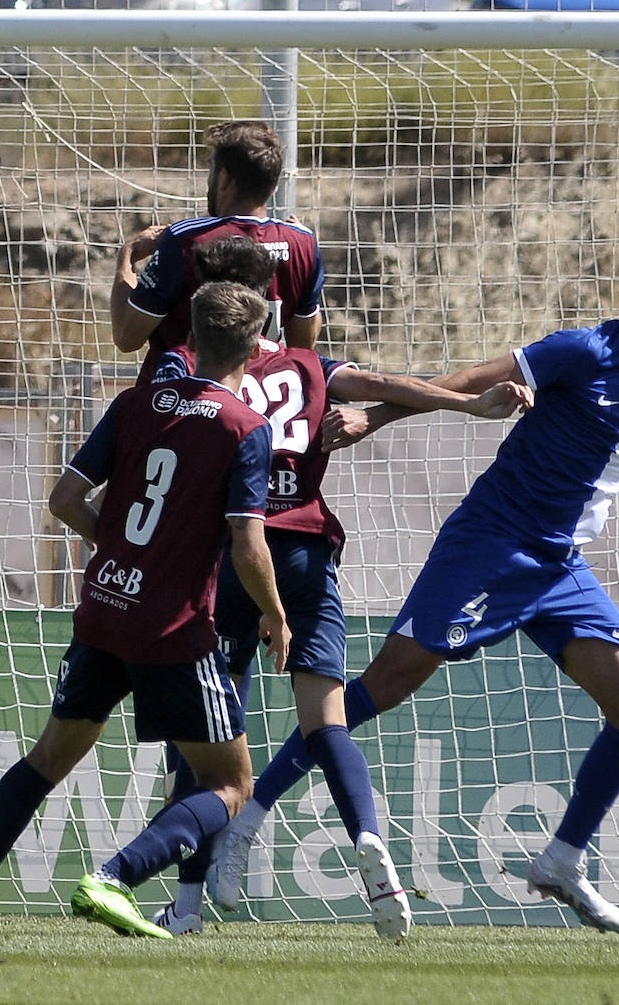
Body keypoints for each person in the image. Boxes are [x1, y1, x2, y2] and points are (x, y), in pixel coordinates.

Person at [211, 244, 619, 933]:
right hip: (492, 543)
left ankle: (562, 859)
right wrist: (370, 418)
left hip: (561, 567)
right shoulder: (580, 351)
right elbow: (460, 380)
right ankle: (250, 818)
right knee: (382, 687)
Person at [149, 236, 532, 939]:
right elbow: (389, 384)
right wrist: (470, 407)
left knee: (206, 732)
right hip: (307, 556)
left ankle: (188, 902)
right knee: (325, 720)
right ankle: (366, 838)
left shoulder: (193, 365)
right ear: (272, 303)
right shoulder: (310, 365)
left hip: (229, 553)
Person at [0, 281, 292, 938]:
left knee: (46, 759)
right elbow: (247, 543)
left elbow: (65, 499)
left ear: (192, 337)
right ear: (256, 350)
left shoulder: (134, 404)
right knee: (231, 785)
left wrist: (119, 548)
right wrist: (276, 612)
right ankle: (113, 878)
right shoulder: (247, 429)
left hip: (104, 605)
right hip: (172, 629)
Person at [111, 120, 324, 383]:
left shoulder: (186, 240)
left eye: (211, 168)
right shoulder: (303, 243)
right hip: (259, 404)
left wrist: (127, 256)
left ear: (224, 179)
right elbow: (303, 345)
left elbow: (126, 337)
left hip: (182, 403)